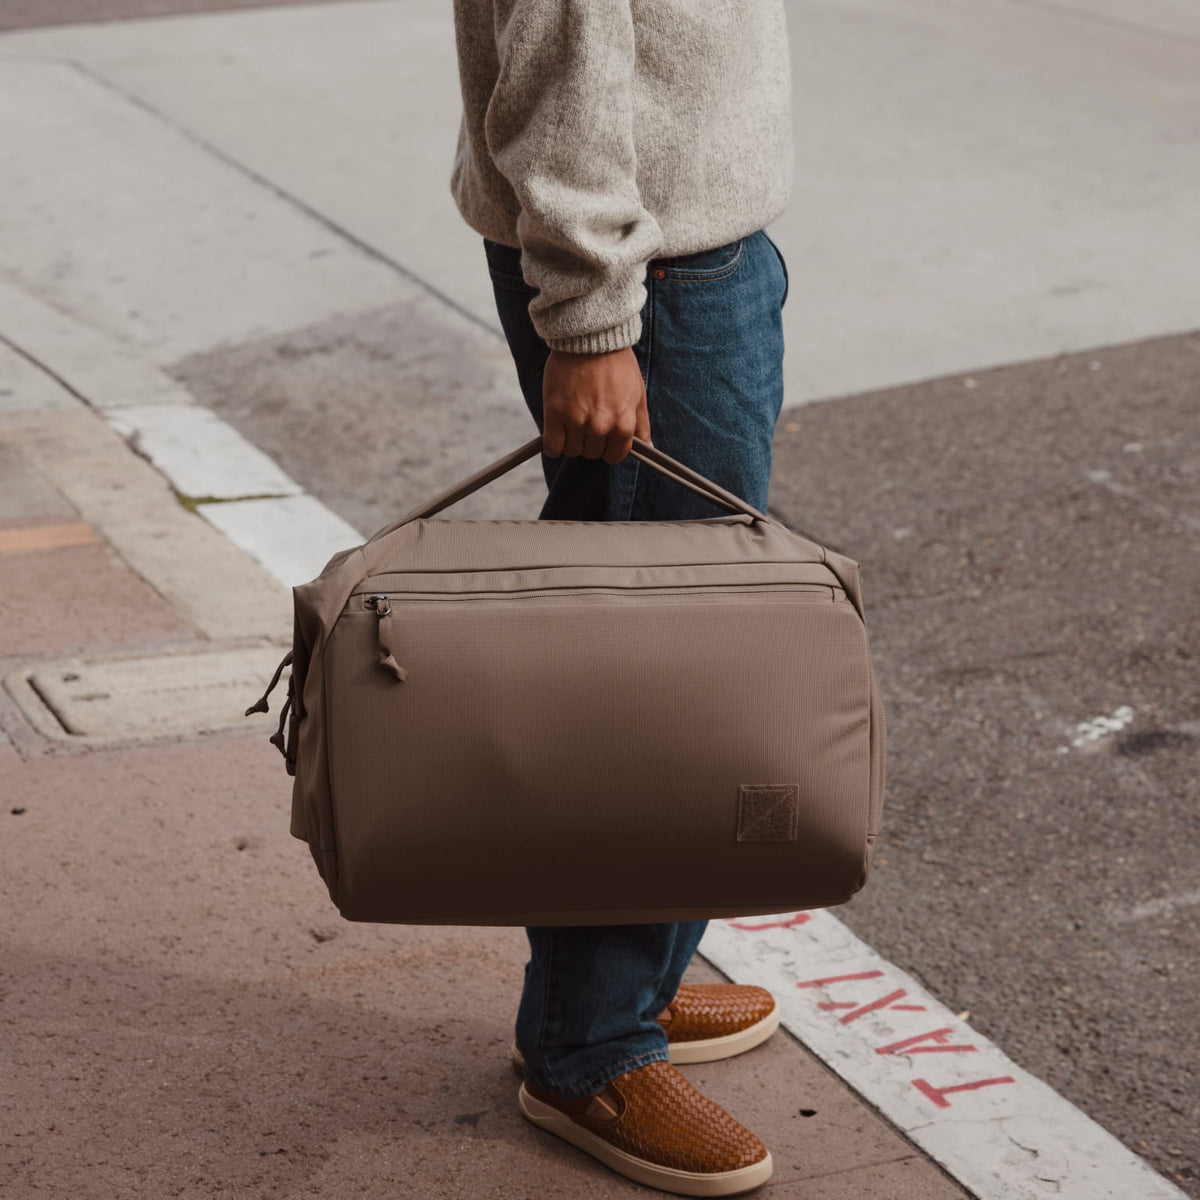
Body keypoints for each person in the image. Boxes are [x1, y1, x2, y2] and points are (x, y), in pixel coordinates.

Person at [449, 2, 793, 1194]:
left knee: (670, 655)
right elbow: (556, 37)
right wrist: (593, 317)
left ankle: (622, 982)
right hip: (647, 266)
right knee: (655, 677)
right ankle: (589, 1045)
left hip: (688, 234)